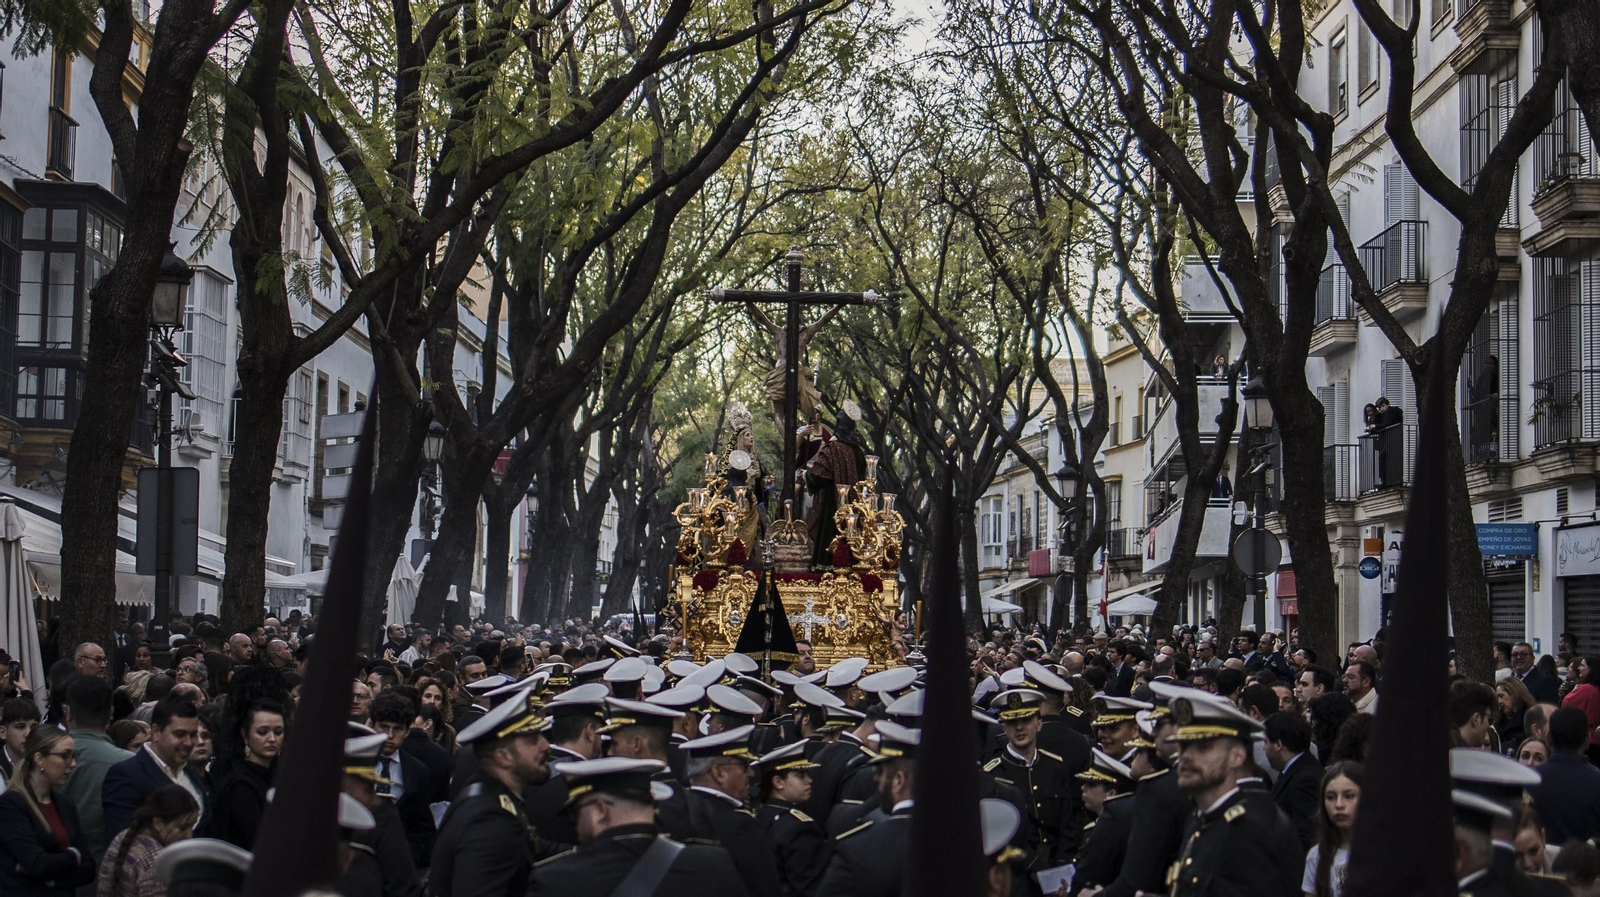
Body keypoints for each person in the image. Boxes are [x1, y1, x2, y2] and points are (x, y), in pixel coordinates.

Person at [525, 758, 749, 897]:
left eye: (577, 811)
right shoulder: (713, 864)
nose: (575, 823)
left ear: (601, 810)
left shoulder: (554, 880)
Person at [1156, 688, 1302, 896]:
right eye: (1184, 745)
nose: (1186, 756)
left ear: (1237, 756)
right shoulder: (1202, 818)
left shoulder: (1248, 830)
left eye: (1203, 747)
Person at [428, 685, 551, 897]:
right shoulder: (489, 820)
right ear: (503, 757)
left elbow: (538, 847)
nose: (546, 746)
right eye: (532, 740)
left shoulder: (489, 796)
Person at [815, 721, 920, 897]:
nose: (876, 779)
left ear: (898, 781)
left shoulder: (857, 850)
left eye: (881, 773)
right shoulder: (960, 845)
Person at [680, 725, 782, 896]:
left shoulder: (674, 811)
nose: (750, 772)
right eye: (743, 765)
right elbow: (764, 888)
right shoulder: (741, 826)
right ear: (719, 773)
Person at [0, 726, 97, 896]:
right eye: (64, 755)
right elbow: (37, 863)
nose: (72, 764)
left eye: (73, 756)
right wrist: (74, 855)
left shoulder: (65, 804)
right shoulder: (11, 804)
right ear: (39, 759)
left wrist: (52, 880)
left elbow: (88, 868)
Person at [102, 695, 208, 838]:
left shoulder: (193, 772)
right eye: (180, 734)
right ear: (156, 732)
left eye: (193, 735)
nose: (189, 742)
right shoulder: (126, 775)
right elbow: (123, 840)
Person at [60, 675, 135, 859]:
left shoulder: (36, 760)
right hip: (107, 870)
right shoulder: (131, 764)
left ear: (67, 713)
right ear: (110, 713)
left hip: (49, 873)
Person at [368, 691, 436, 869]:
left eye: (397, 729)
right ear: (372, 725)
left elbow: (421, 825)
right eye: (384, 727)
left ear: (407, 731)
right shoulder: (352, 763)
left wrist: (408, 860)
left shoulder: (417, 772)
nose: (390, 736)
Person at [752, 741, 830, 897]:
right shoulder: (799, 828)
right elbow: (809, 887)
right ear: (778, 782)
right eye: (800, 775)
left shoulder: (760, 816)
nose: (809, 780)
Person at [95, 785, 198, 897]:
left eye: (192, 827)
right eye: (183, 828)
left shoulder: (124, 836)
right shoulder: (157, 861)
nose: (189, 835)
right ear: (158, 823)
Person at [209, 701, 283, 849]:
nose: (272, 739)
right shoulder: (241, 785)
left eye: (278, 731)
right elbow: (257, 839)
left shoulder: (279, 775)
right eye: (262, 732)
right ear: (245, 734)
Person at [1528, 706, 1600, 845]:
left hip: (1540, 864)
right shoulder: (1597, 781)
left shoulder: (1530, 780)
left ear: (1549, 738)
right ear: (1587, 740)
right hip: (1588, 864)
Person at [1264, 711, 1323, 851]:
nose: (1263, 748)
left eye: (1265, 742)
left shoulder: (1306, 780)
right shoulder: (1295, 771)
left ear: (1278, 744)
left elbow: (1306, 838)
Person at [1301, 761, 1361, 897]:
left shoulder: (1385, 853)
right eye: (1331, 797)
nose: (1339, 804)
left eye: (1349, 796)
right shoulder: (1316, 856)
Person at [1561, 657, 1600, 764]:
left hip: (1584, 737)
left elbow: (1566, 704)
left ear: (1592, 669)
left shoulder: (1585, 689)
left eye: (1582, 665)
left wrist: (1573, 691)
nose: (1579, 668)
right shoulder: (1597, 689)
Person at [2, 696, 41, 785]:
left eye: (34, 727)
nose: (28, 733)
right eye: (20, 727)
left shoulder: (43, 762)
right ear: (3, 732)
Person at [1515, 805, 1560, 876]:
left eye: (1533, 851)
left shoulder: (1564, 862)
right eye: (1516, 856)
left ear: (1543, 838)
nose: (1527, 864)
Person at [1497, 678, 1535, 756]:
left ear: (1513, 694)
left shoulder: (1529, 718)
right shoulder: (1500, 719)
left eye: (1501, 696)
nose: (1499, 701)